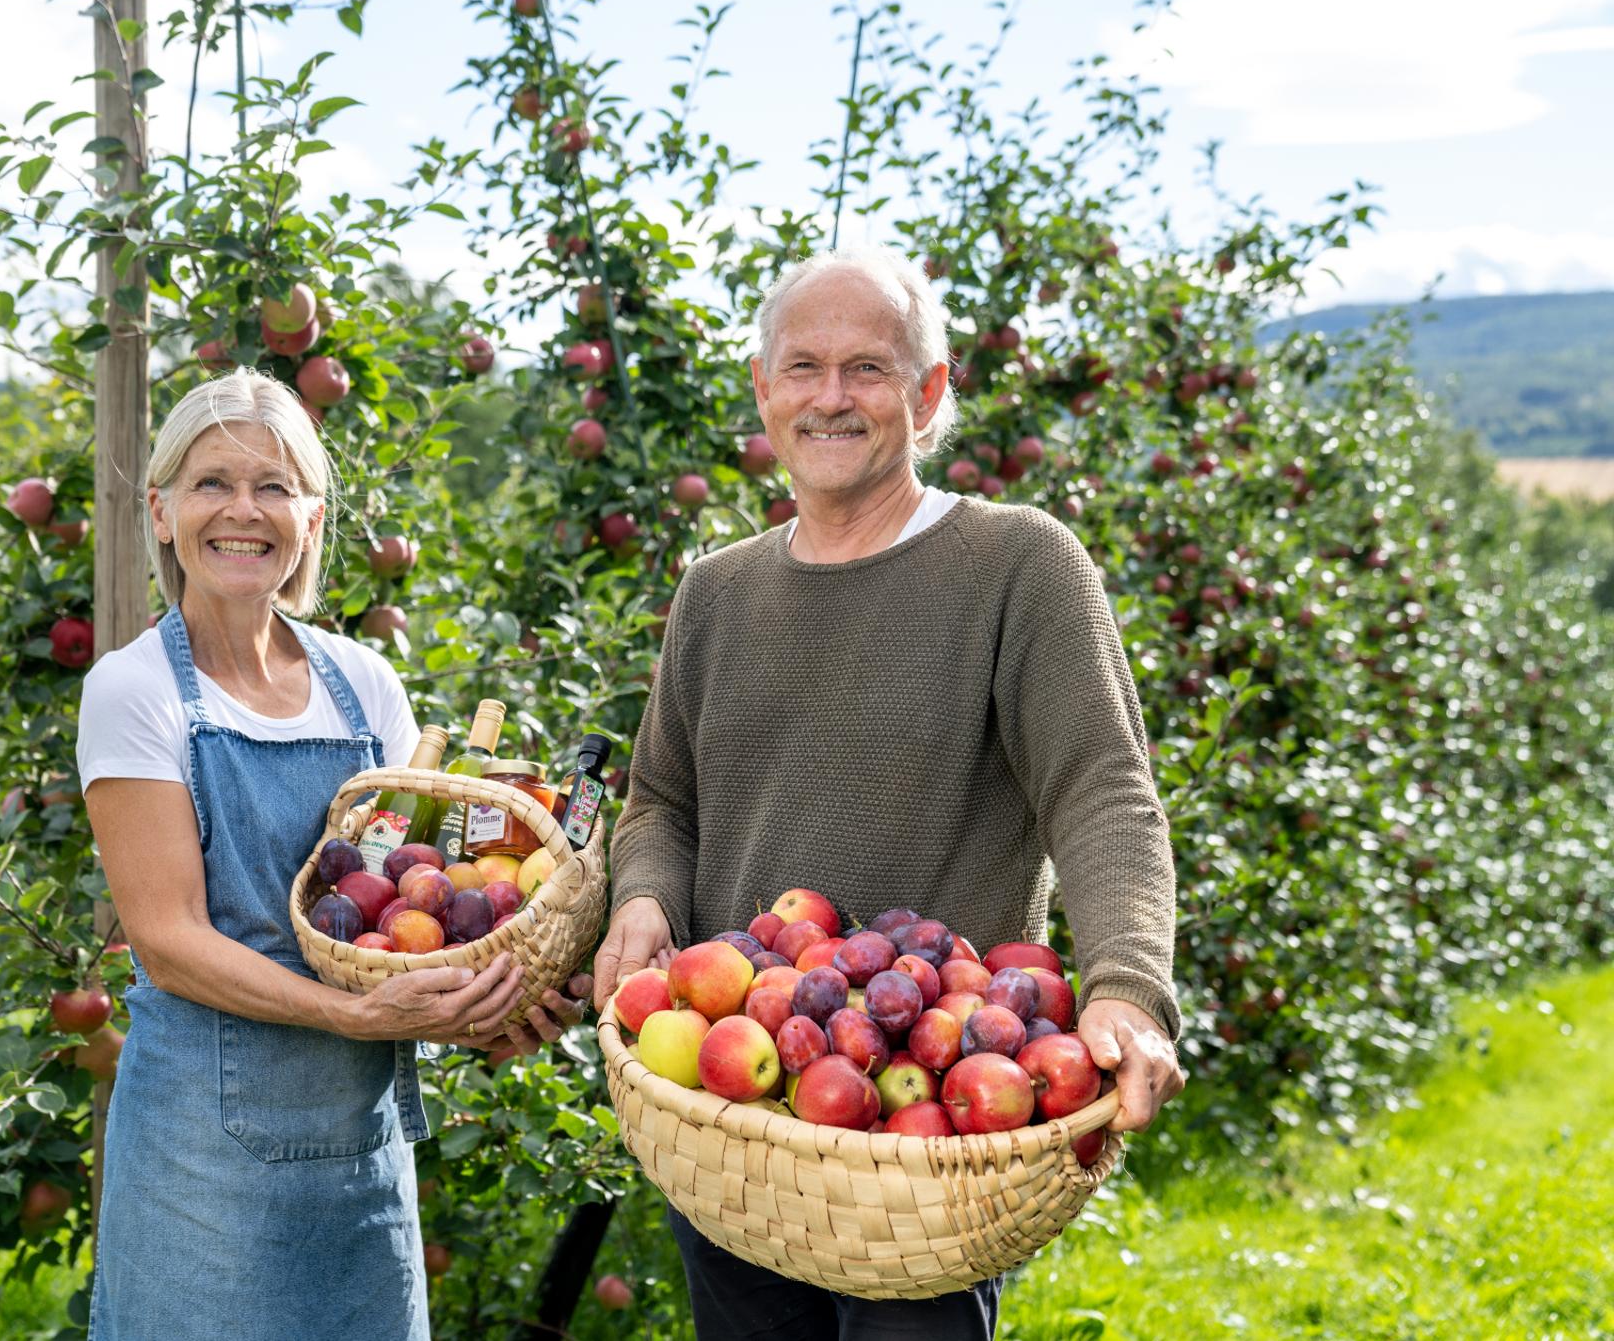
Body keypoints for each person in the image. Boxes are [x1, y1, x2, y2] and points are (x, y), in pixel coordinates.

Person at [591, 247, 1186, 1340]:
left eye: (865, 368)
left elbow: (1102, 794)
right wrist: (644, 903)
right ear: (762, 390)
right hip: (739, 1106)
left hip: (928, 1110)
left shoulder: (1018, 565)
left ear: (928, 392)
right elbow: (661, 802)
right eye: (801, 368)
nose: (829, 397)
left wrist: (1127, 987)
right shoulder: (715, 592)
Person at [79, 369, 527, 1339]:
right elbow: (167, 942)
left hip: (355, 1159)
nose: (243, 510)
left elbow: (424, 904)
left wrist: (502, 1003)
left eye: (274, 486)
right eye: (211, 483)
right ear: (159, 511)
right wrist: (355, 1014)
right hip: (198, 1168)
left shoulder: (363, 685)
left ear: (312, 520)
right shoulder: (134, 691)